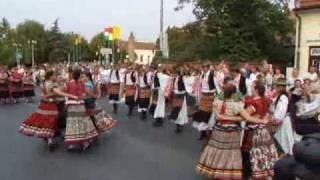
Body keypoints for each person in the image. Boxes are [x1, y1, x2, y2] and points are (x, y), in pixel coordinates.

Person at [196, 81, 245, 179]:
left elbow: (217, 116)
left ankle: (214, 170)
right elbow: (243, 115)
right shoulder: (236, 104)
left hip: (219, 128)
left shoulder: (217, 102)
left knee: (217, 149)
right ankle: (227, 172)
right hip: (232, 130)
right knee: (230, 151)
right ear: (234, 94)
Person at [19, 71, 77, 151]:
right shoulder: (50, 83)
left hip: (50, 104)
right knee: (51, 122)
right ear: (50, 76)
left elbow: (48, 93)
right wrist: (70, 94)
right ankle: (51, 141)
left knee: (54, 121)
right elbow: (57, 93)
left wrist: (47, 95)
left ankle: (55, 137)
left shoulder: (48, 83)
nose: (56, 77)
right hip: (52, 105)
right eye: (55, 75)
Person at [241, 80, 279, 179]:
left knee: (249, 153)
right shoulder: (265, 100)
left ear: (256, 89)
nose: (251, 88)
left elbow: (245, 116)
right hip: (263, 131)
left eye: (252, 86)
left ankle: (250, 175)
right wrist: (263, 119)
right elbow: (268, 114)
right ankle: (264, 174)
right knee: (263, 154)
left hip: (253, 132)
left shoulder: (254, 103)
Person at [64, 69, 99, 151]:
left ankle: (73, 143)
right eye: (81, 75)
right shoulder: (81, 84)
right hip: (80, 105)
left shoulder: (68, 83)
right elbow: (87, 92)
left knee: (72, 124)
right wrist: (94, 95)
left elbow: (63, 91)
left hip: (72, 106)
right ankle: (85, 142)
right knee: (82, 123)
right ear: (79, 76)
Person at [193, 64, 216, 140]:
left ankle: (209, 132)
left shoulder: (212, 75)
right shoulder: (203, 75)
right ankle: (202, 133)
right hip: (204, 96)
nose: (204, 69)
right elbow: (200, 85)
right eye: (203, 67)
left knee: (208, 115)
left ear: (208, 68)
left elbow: (217, 85)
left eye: (205, 67)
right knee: (202, 114)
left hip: (210, 96)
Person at [168, 69, 189, 133]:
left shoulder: (183, 78)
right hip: (176, 95)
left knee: (181, 111)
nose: (174, 74)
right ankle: (177, 125)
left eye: (176, 73)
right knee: (176, 110)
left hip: (181, 95)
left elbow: (188, 82)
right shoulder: (175, 78)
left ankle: (180, 125)